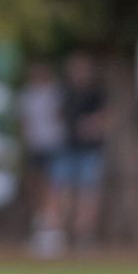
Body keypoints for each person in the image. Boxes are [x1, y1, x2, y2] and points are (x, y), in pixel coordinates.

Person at [48, 52, 107, 250]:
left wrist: (93, 125)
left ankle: (84, 235)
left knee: (88, 193)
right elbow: (57, 116)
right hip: (67, 147)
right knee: (61, 191)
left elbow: (107, 118)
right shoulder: (64, 91)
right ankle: (60, 233)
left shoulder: (96, 92)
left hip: (89, 150)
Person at [19, 61, 68, 259]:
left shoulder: (55, 94)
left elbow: (60, 118)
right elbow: (24, 122)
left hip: (53, 145)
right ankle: (39, 228)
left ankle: (54, 230)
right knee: (36, 188)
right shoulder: (27, 95)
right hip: (35, 146)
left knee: (53, 188)